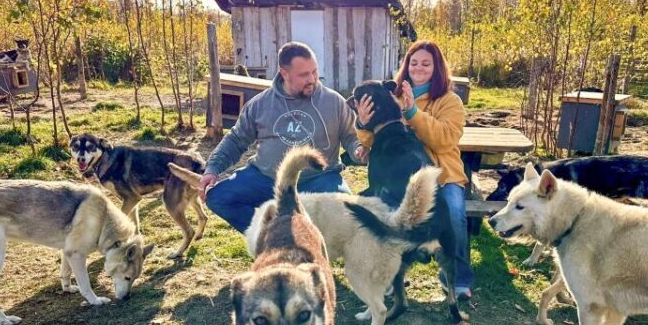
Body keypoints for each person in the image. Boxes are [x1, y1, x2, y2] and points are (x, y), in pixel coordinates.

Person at [199, 42, 366, 233]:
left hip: (319, 179)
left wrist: (358, 149)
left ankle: (308, 237)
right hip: (268, 179)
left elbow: (351, 137)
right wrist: (212, 169)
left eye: (314, 71)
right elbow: (236, 140)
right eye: (304, 75)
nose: (312, 79)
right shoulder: (260, 104)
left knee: (348, 214)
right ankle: (271, 235)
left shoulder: (334, 102)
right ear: (284, 74)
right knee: (218, 198)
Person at [354, 40, 474, 302]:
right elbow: (377, 137)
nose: (419, 68)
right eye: (414, 63)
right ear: (406, 66)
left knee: (454, 213)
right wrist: (362, 125)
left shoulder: (449, 101)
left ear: (437, 68)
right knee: (383, 213)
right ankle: (388, 273)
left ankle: (457, 277)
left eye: (426, 64)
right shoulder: (393, 97)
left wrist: (412, 113)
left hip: (443, 175)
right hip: (402, 178)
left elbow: (444, 140)